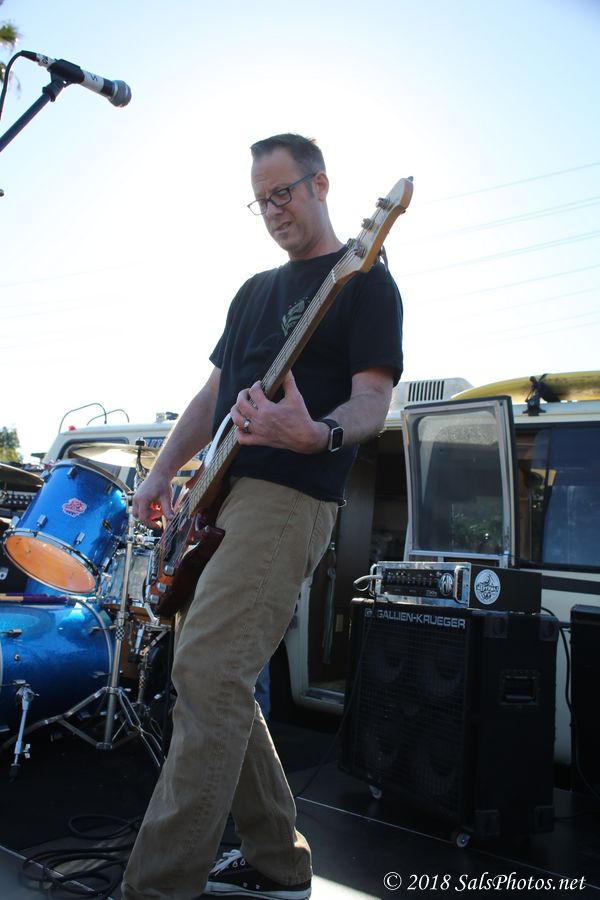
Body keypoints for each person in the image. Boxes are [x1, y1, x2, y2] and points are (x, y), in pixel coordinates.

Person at [121, 133, 403, 900]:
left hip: (288, 494)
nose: (273, 209)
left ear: (320, 185)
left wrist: (319, 433)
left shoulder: (365, 282)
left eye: (284, 192)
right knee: (211, 678)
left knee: (209, 671)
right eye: (261, 199)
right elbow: (215, 393)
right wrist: (163, 472)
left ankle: (154, 888)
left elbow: (374, 400)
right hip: (216, 499)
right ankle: (278, 859)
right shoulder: (253, 291)